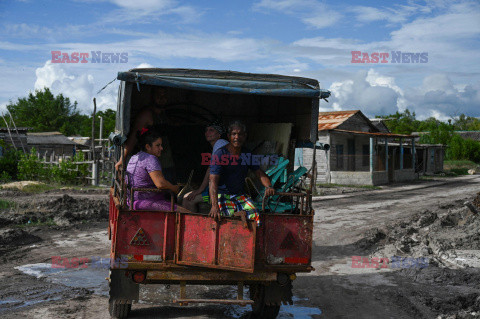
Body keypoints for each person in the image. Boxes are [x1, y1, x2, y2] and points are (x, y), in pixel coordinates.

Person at [209, 121, 275, 223]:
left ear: (245, 136)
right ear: (228, 136)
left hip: (239, 195)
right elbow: (213, 181)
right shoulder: (220, 154)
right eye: (234, 134)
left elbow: (259, 173)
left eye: (240, 134)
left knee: (256, 216)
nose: (237, 137)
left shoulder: (246, 154)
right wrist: (214, 206)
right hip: (222, 195)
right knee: (227, 219)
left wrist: (269, 186)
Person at [125, 126, 189, 213]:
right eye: (158, 145)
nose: (161, 148)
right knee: (187, 213)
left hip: (133, 201)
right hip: (146, 202)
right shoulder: (151, 159)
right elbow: (160, 184)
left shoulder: (134, 157)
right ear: (148, 146)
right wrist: (175, 188)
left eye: (161, 145)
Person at [115, 87, 174, 175]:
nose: (162, 98)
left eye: (164, 94)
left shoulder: (164, 115)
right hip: (152, 164)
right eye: (158, 95)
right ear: (152, 97)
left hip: (167, 162)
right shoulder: (146, 115)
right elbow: (135, 136)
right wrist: (122, 159)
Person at [183, 120, 229, 212]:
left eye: (211, 130)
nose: (207, 132)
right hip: (220, 188)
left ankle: (192, 225)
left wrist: (200, 190)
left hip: (223, 192)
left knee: (187, 199)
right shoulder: (220, 145)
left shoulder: (220, 143)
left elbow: (211, 169)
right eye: (206, 130)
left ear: (219, 134)